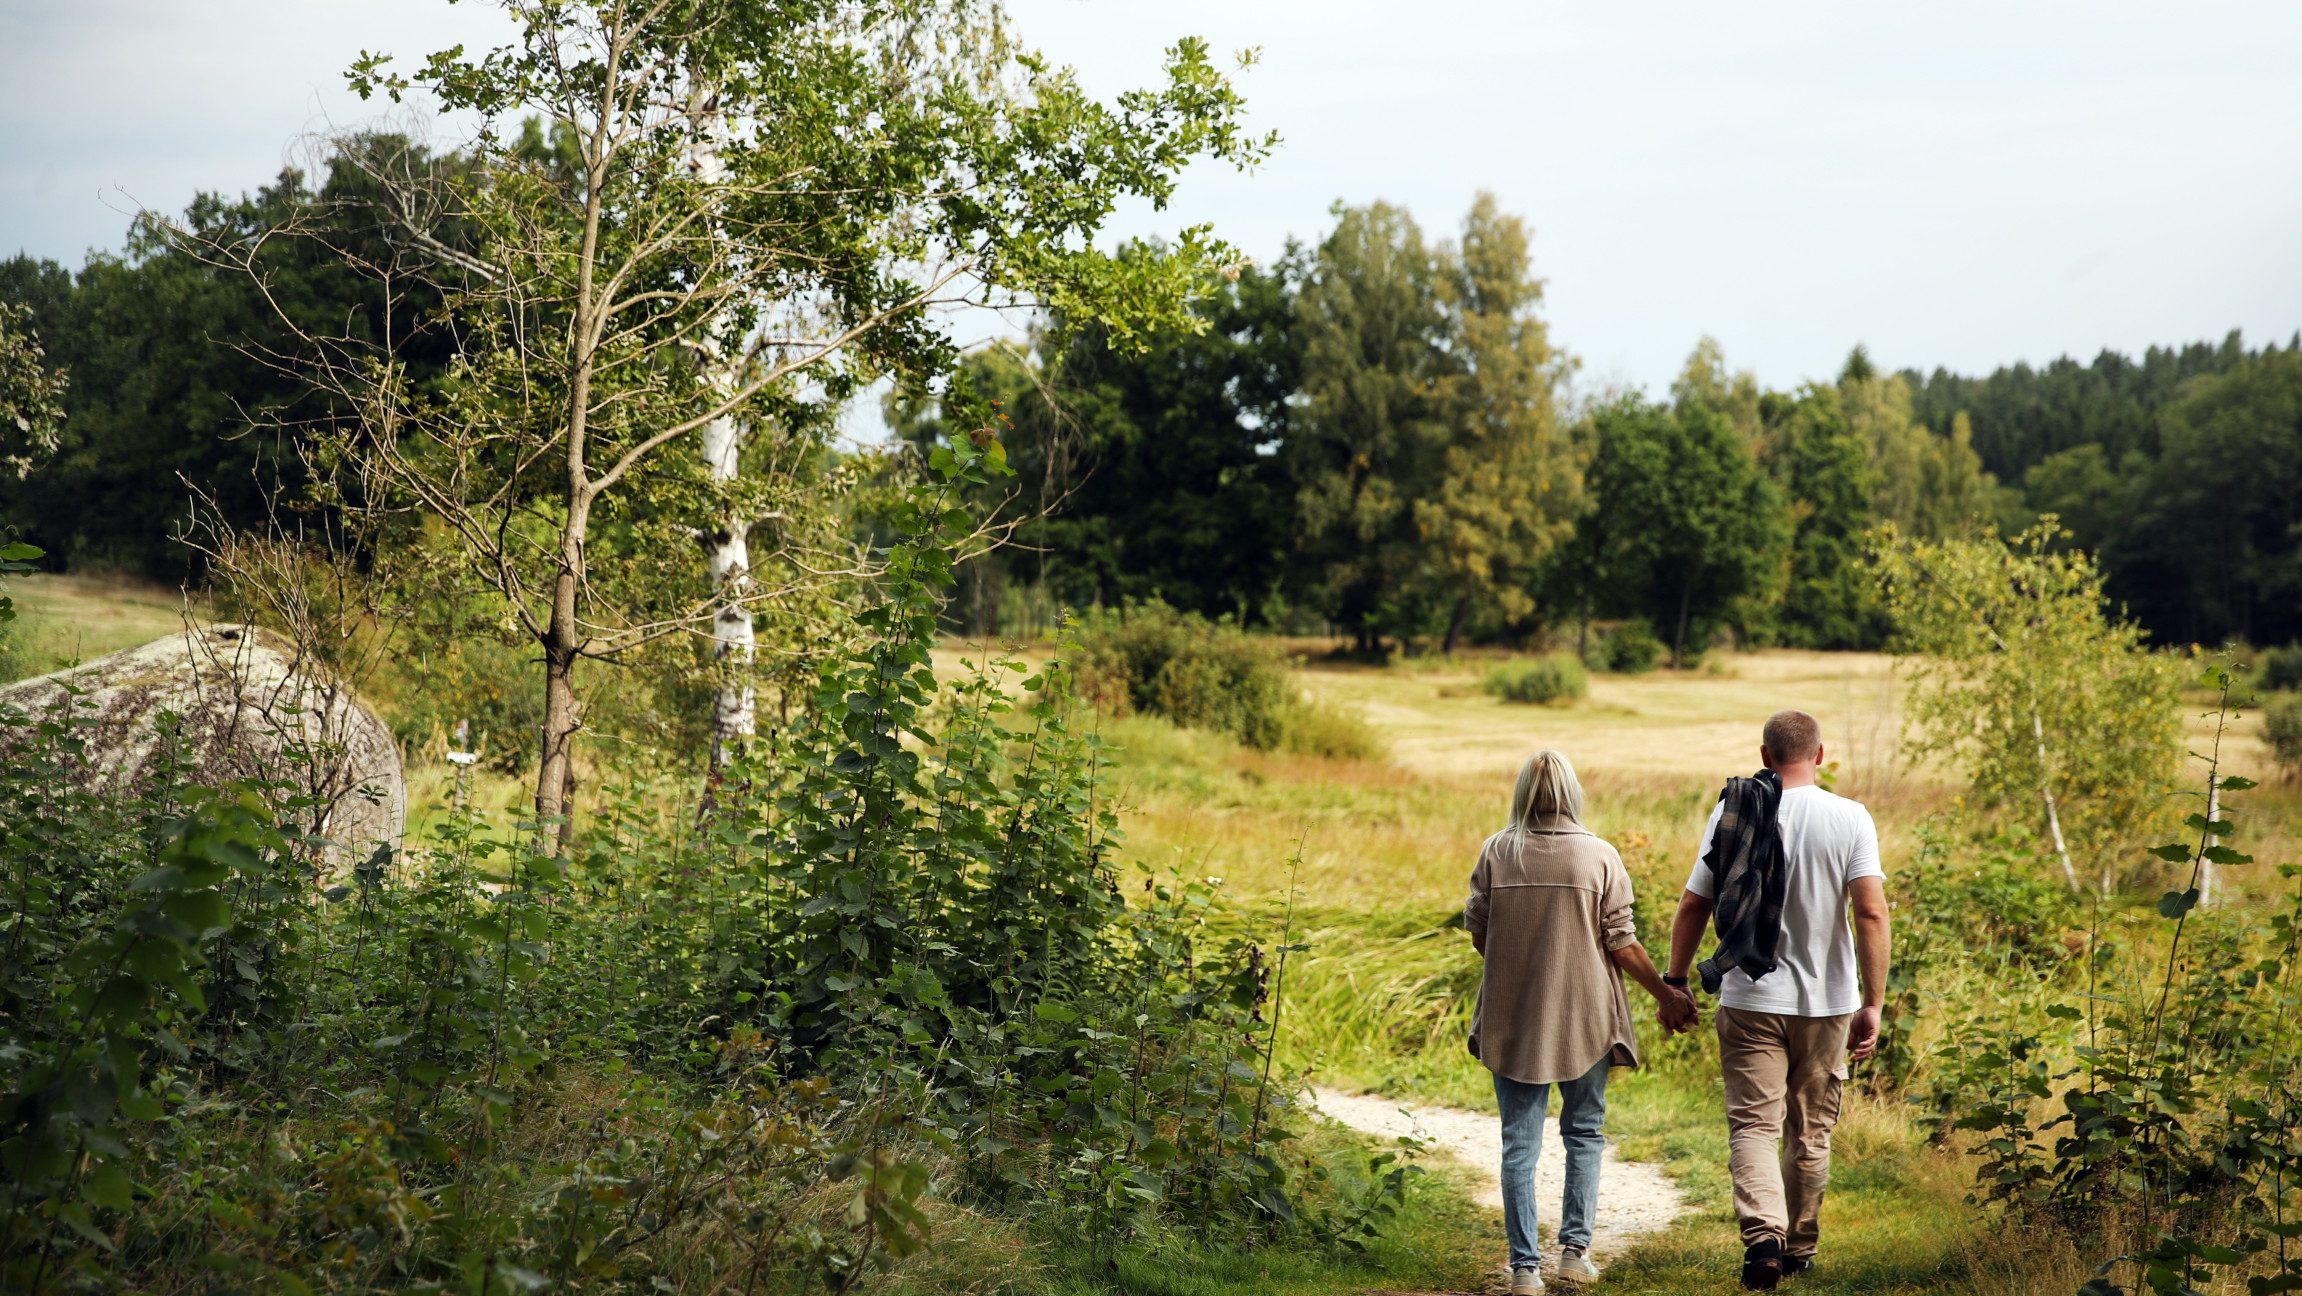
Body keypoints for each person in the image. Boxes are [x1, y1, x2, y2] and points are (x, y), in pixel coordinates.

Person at [1664, 710, 1892, 1291]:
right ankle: (1799, 1248)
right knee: (1810, 1132)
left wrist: (1677, 978)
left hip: (1748, 995)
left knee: (1754, 1126)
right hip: (1827, 1002)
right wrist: (1874, 1002)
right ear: (1819, 756)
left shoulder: (1733, 810)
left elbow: (1695, 903)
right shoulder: (1851, 818)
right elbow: (1870, 912)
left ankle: (1763, 1237)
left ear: (1765, 756)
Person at [1465, 749, 1700, 1293]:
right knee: (1585, 1133)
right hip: (1586, 1019)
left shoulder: (1498, 852)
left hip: (1514, 1018)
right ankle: (1574, 1253)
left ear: (1523, 792)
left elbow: (1481, 934)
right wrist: (1667, 995)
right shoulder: (1599, 856)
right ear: (1572, 793)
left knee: (1518, 1143)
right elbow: (1622, 943)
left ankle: (1524, 1269)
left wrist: (1521, 968)